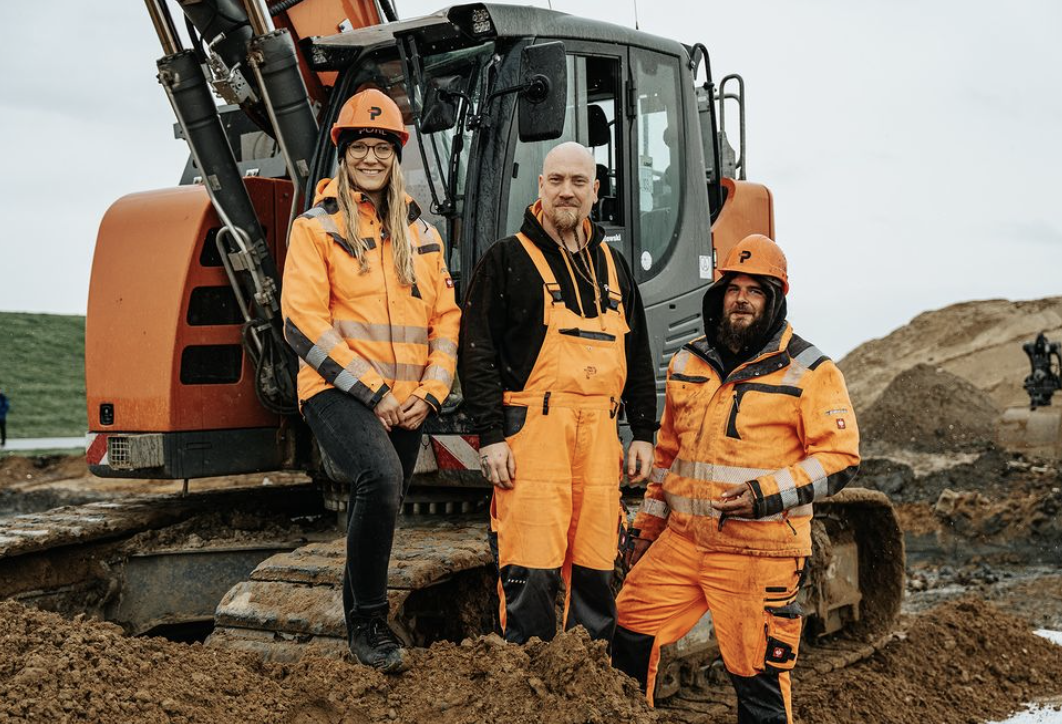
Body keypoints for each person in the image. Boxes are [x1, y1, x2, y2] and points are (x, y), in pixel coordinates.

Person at [611, 234, 860, 722]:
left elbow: (839, 458)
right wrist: (646, 532)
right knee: (628, 628)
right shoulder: (688, 361)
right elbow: (667, 460)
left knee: (756, 678)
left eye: (756, 290)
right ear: (718, 294)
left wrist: (763, 495)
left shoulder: (812, 371)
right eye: (733, 288)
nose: (741, 298)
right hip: (683, 546)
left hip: (758, 552)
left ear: (774, 300)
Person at [281, 88, 460, 672]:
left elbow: (445, 322)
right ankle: (368, 624)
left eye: (382, 147)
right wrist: (372, 392)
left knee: (382, 497)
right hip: (336, 392)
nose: (371, 158)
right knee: (379, 476)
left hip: (407, 401)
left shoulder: (423, 236)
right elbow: (301, 322)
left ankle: (361, 615)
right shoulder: (317, 229)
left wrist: (429, 395)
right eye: (361, 146)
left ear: (396, 154)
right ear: (344, 152)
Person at [459, 141, 658, 645]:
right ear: (540, 187)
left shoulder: (613, 267)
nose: (566, 192)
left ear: (595, 191)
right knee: (532, 567)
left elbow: (638, 356)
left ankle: (585, 688)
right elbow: (476, 353)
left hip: (599, 441)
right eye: (556, 181)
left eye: (578, 182)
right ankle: (531, 690)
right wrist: (490, 437)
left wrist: (642, 432)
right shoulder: (506, 259)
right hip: (533, 439)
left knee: (595, 567)